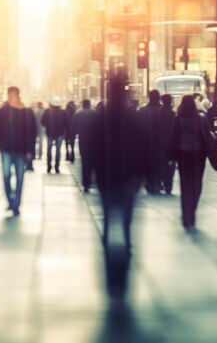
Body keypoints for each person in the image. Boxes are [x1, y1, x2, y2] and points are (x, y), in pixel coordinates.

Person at [90, 71, 146, 296]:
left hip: (106, 177)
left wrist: (88, 174)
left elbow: (92, 148)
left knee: (107, 218)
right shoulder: (132, 117)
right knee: (126, 221)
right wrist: (144, 174)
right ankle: (125, 260)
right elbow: (144, 146)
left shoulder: (100, 117)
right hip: (128, 178)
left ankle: (109, 261)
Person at [0, 87, 36, 216]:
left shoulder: (26, 112)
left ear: (18, 96)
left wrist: (30, 150)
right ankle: (10, 199)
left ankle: (16, 203)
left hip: (21, 151)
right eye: (10, 94)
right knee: (6, 175)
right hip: (6, 149)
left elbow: (32, 132)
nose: (12, 97)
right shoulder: (1, 112)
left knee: (20, 178)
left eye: (14, 95)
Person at [168, 95, 210, 230]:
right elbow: (207, 136)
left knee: (185, 185)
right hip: (199, 155)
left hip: (183, 154)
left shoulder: (178, 119)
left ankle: (186, 214)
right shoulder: (201, 118)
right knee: (197, 183)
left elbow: (174, 137)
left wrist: (171, 157)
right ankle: (192, 209)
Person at [71, 99, 97, 192]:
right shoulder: (95, 113)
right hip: (94, 141)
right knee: (93, 161)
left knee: (85, 161)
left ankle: (85, 183)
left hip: (83, 140)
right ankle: (90, 181)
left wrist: (72, 141)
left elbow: (73, 128)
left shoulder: (78, 113)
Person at [139, 90, 162, 194]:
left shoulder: (143, 110)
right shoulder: (163, 109)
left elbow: (138, 126)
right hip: (159, 142)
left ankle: (150, 182)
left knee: (148, 163)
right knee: (159, 163)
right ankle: (157, 182)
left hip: (145, 141)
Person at [42, 97, 68, 174]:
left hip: (50, 134)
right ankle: (57, 168)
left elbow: (43, 122)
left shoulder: (47, 111)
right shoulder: (63, 112)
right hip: (60, 134)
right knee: (58, 151)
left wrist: (48, 126)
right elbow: (67, 123)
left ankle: (49, 167)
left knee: (49, 150)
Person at [156, 94, 176, 195]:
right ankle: (169, 184)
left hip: (160, 144)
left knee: (162, 165)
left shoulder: (158, 113)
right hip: (171, 144)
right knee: (171, 166)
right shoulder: (173, 114)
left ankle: (164, 182)